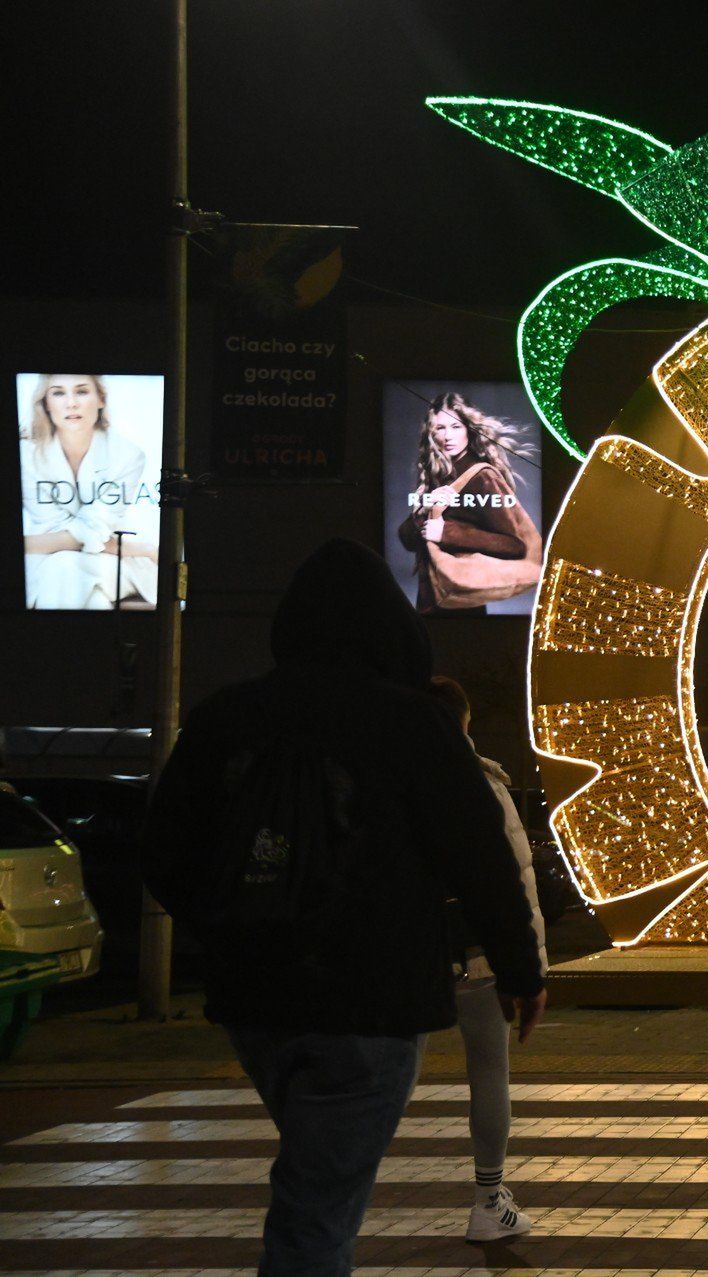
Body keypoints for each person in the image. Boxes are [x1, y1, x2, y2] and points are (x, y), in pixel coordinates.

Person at [143, 539, 546, 1275]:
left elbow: (164, 854)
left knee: (313, 1172)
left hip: (255, 1001)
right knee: (316, 1207)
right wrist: (520, 968)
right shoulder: (412, 725)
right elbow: (481, 856)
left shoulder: (226, 718)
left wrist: (231, 929)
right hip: (372, 993)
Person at [426, 676, 550, 1242]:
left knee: (383, 1078)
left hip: (407, 956)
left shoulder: (386, 780)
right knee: (488, 1072)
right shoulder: (485, 783)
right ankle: (488, 1197)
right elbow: (516, 882)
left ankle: (340, 1193)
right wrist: (530, 969)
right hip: (477, 959)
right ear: (466, 722)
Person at [19, 373, 159, 610]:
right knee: (78, 582)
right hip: (52, 560)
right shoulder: (26, 455)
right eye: (58, 392)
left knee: (64, 567)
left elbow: (94, 528)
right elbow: (57, 526)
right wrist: (142, 548)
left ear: (101, 399)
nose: (71, 403)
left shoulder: (128, 455)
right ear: (45, 402)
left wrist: (29, 543)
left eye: (82, 391)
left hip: (114, 560)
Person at [394, 392, 536, 614]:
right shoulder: (438, 474)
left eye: (456, 426)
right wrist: (428, 511)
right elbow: (407, 538)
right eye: (440, 428)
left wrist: (448, 532)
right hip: (431, 603)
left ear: (469, 430)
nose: (447, 436)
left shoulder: (482, 478)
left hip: (461, 606)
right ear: (431, 433)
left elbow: (515, 545)